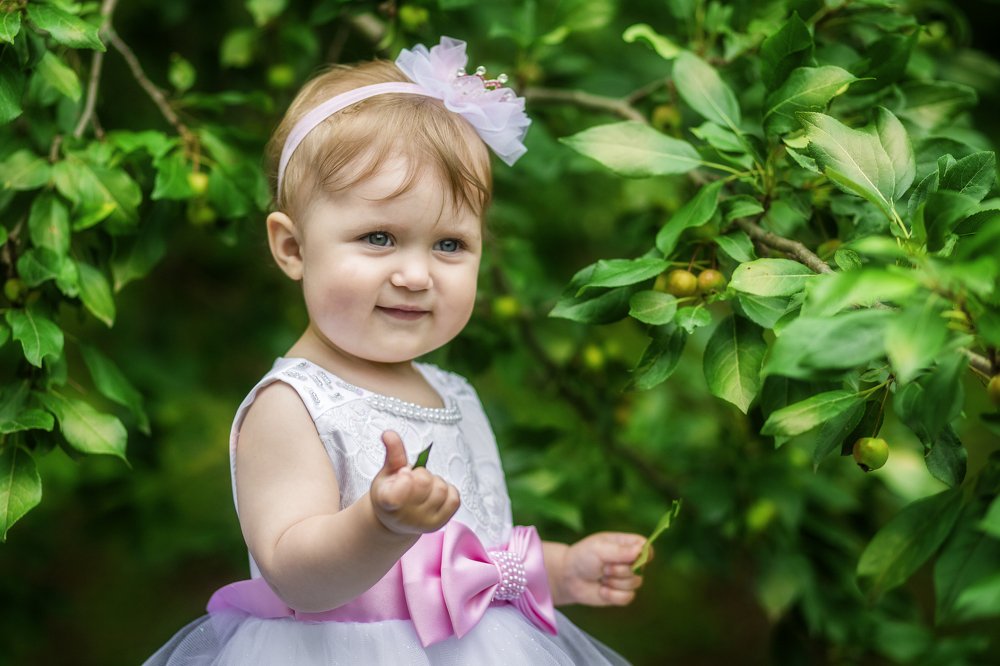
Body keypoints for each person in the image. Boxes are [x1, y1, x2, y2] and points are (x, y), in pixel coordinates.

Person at [145, 36, 648, 665]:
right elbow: (295, 577)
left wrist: (562, 570)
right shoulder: (293, 406)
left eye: (449, 245)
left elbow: (472, 557)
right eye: (379, 237)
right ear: (293, 248)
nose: (416, 275)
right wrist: (377, 527)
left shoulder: (453, 393)